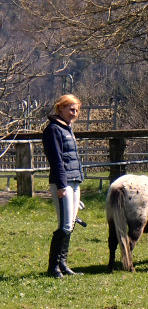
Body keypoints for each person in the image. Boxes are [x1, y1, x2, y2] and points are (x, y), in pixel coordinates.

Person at [42, 94, 84, 278]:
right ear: (61, 108)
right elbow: (57, 160)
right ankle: (53, 267)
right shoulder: (53, 130)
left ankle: (63, 264)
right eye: (71, 109)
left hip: (74, 181)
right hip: (64, 182)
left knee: (72, 224)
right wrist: (61, 185)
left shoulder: (68, 129)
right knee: (65, 225)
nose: (74, 113)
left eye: (76, 110)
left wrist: (78, 179)